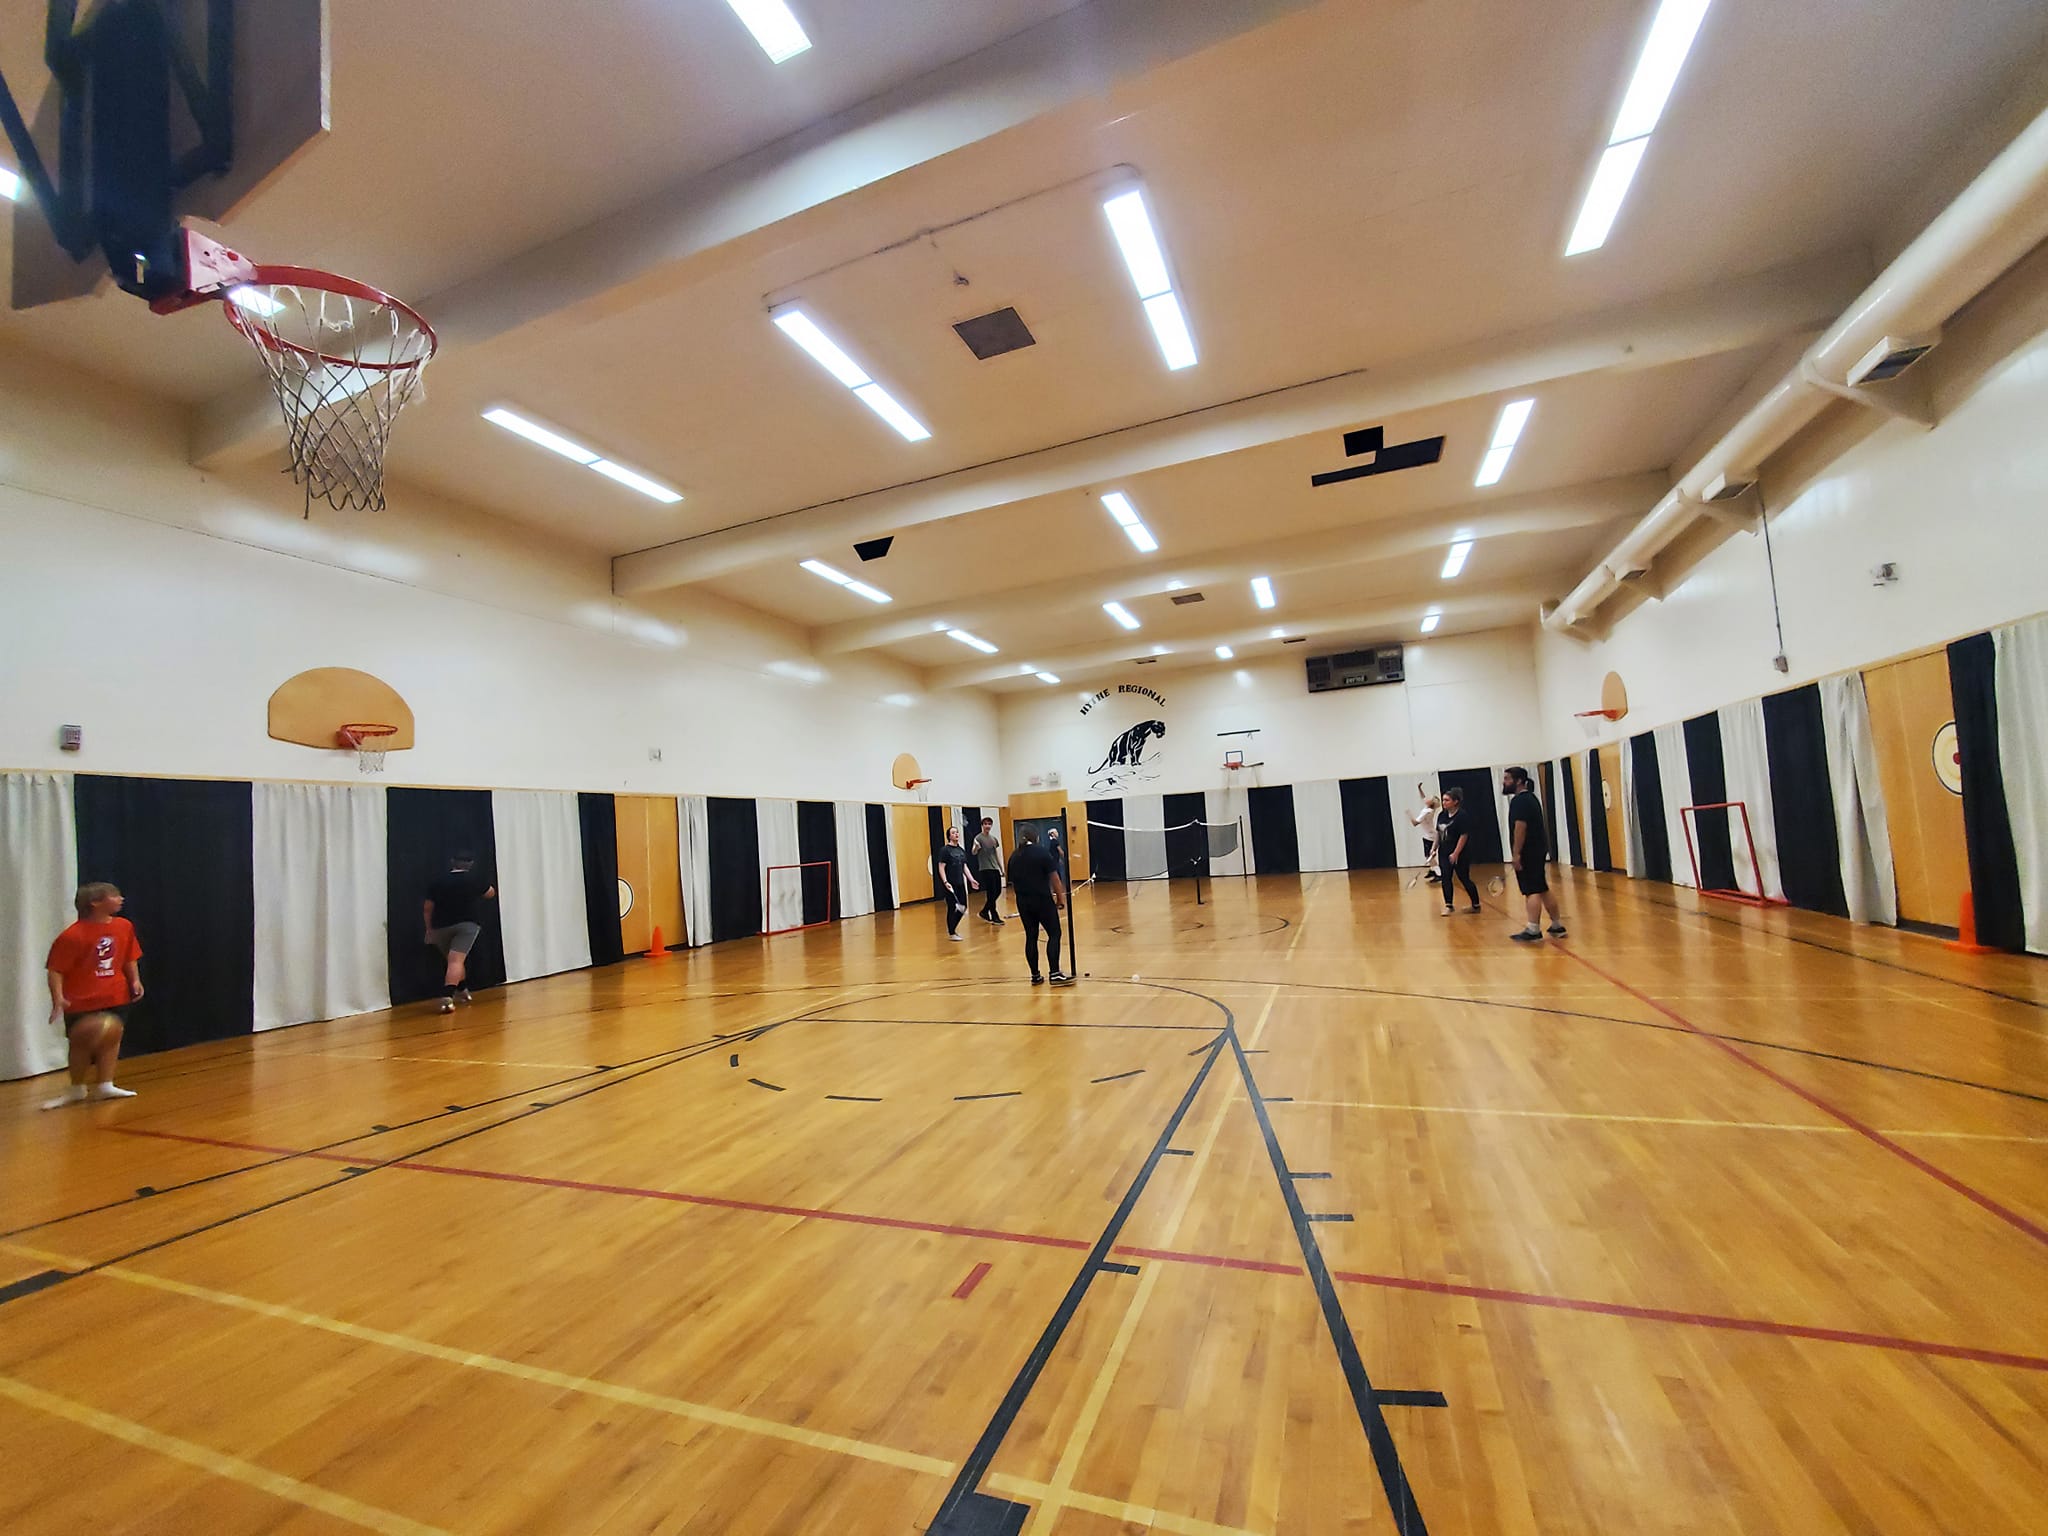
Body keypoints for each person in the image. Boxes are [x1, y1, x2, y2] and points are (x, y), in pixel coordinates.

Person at [43, 881, 143, 1109]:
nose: (120, 899)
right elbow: (56, 970)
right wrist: (58, 998)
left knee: (112, 1038)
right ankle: (76, 1088)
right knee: (80, 1043)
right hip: (82, 1000)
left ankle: (105, 1084)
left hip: (115, 995)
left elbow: (129, 956)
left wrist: (134, 980)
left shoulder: (124, 926)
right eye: (114, 896)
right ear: (95, 903)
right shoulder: (72, 935)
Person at [425, 851, 496, 1012]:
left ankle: (462, 990)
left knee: (453, 961)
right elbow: (490, 893)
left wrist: (429, 930)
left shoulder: (438, 881)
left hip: (440, 926)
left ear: (452, 862)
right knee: (455, 961)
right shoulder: (473, 879)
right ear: (471, 864)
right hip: (467, 925)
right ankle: (447, 998)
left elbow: (427, 908)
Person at [1502, 766, 1566, 942]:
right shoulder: (1531, 798)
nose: (1504, 782)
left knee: (1531, 890)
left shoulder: (1519, 801)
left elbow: (1520, 828)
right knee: (1542, 887)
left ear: (1518, 781)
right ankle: (1557, 926)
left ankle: (1533, 929)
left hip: (1528, 852)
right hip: (1538, 849)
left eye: (1507, 779)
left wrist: (1516, 853)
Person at [1006, 828, 1071, 986]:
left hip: (1023, 902)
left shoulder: (1014, 856)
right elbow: (1055, 878)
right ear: (1035, 837)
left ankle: (1035, 975)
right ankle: (1054, 973)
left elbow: (1012, 882)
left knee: (1031, 936)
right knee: (1054, 933)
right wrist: (1060, 899)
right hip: (1042, 900)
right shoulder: (1042, 853)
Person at [1435, 788, 1481, 914]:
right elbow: (1438, 833)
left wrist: (1456, 853)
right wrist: (1434, 848)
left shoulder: (1462, 816)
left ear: (1455, 802)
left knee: (1464, 878)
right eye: (1443, 800)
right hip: (1444, 852)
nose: (1444, 802)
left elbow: (1464, 835)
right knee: (1446, 878)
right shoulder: (1441, 815)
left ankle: (1476, 905)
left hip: (1460, 853)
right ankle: (1448, 905)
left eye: (1447, 800)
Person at [937, 825, 976, 942]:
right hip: (950, 884)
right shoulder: (945, 850)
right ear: (949, 836)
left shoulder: (961, 850)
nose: (956, 834)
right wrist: (945, 882)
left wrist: (971, 879)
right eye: (953, 833)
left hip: (960, 883)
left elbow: (964, 867)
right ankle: (952, 932)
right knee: (952, 907)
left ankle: (953, 928)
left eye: (957, 832)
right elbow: (941, 867)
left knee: (963, 907)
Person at [971, 817, 1006, 924]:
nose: (987, 826)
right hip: (985, 868)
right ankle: (994, 915)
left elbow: (996, 854)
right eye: (985, 824)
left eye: (989, 824)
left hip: (995, 868)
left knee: (998, 891)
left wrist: (1001, 868)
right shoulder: (978, 838)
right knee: (991, 893)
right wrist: (976, 847)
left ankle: (984, 911)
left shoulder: (994, 839)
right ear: (982, 825)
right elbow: (973, 852)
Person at [1409, 785, 1442, 882]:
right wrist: (1419, 788)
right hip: (1428, 835)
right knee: (1428, 855)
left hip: (1430, 836)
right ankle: (1432, 870)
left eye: (1429, 799)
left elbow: (1415, 823)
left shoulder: (1427, 811)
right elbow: (1423, 797)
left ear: (1431, 803)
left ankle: (1439, 874)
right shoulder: (1429, 808)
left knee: (1429, 856)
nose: (1426, 798)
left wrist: (1409, 814)